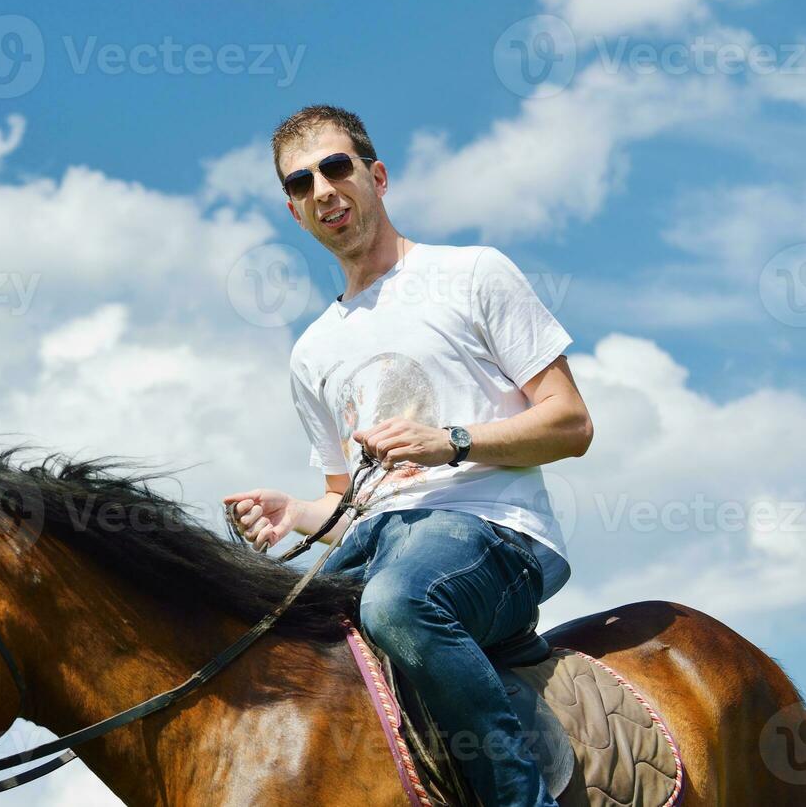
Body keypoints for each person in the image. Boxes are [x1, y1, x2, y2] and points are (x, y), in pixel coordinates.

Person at [224, 105, 593, 807]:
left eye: (336, 167)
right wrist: (298, 513)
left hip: (494, 533)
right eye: (301, 183)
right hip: (377, 542)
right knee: (252, 635)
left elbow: (571, 424)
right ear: (293, 210)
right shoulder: (310, 352)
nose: (322, 189)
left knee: (397, 604)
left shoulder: (471, 273)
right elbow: (349, 506)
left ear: (376, 175)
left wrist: (451, 441)